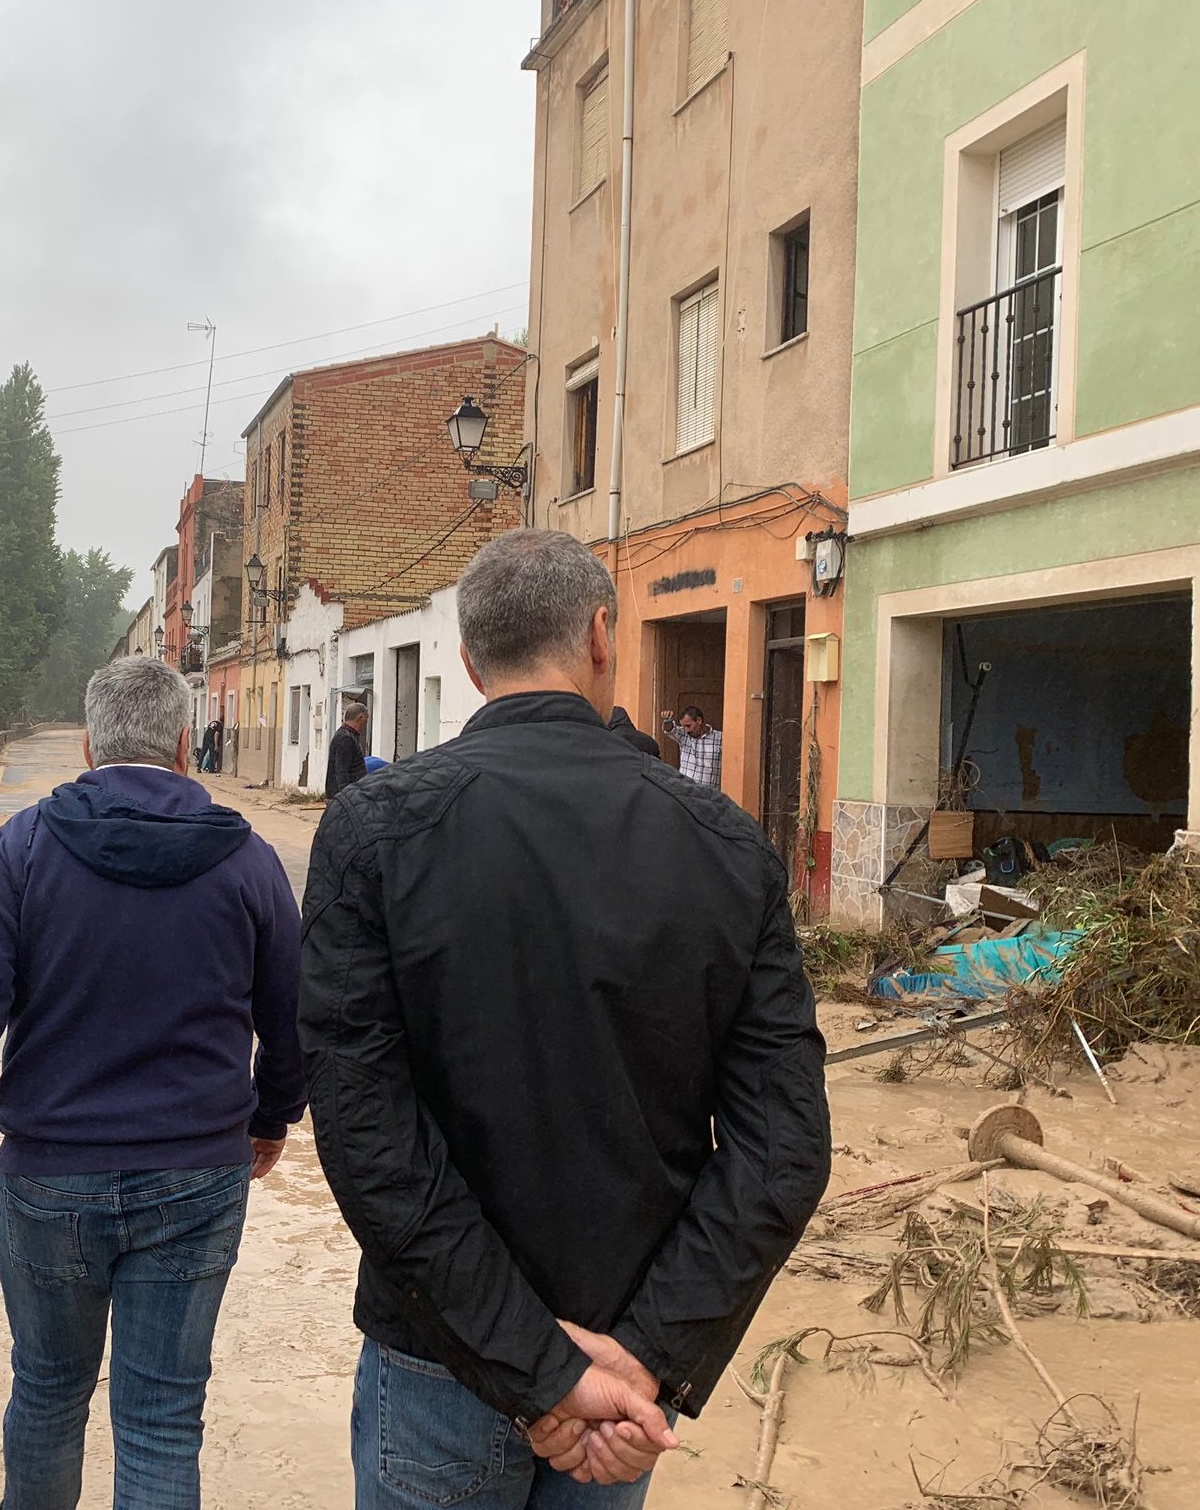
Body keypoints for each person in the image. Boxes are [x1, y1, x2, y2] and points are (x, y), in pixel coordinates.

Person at [300, 528, 831, 1506]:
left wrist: (541, 1370)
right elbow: (782, 1148)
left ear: (465, 661)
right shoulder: (726, 846)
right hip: (622, 1374)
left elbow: (364, 1135)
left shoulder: (371, 831)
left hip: (444, 1363)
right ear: (601, 637)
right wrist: (640, 1360)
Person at [0, 656, 306, 1509]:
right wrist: (272, 1116)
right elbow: (298, 1019)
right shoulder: (248, 858)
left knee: (46, 1392)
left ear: (87, 743)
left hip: (50, 1178)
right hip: (198, 1175)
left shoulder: (28, 847)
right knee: (160, 1418)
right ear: (186, 745)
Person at [661, 705, 722, 789]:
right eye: (684, 727)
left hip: (709, 794)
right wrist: (667, 720)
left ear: (699, 720)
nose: (686, 730)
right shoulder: (684, 736)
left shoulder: (719, 738)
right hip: (685, 792)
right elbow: (670, 730)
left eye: (688, 726)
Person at [326, 702, 368, 798]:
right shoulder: (346, 738)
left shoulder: (348, 735)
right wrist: (345, 797)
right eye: (366, 719)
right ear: (360, 718)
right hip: (345, 797)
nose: (366, 724)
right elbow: (341, 771)